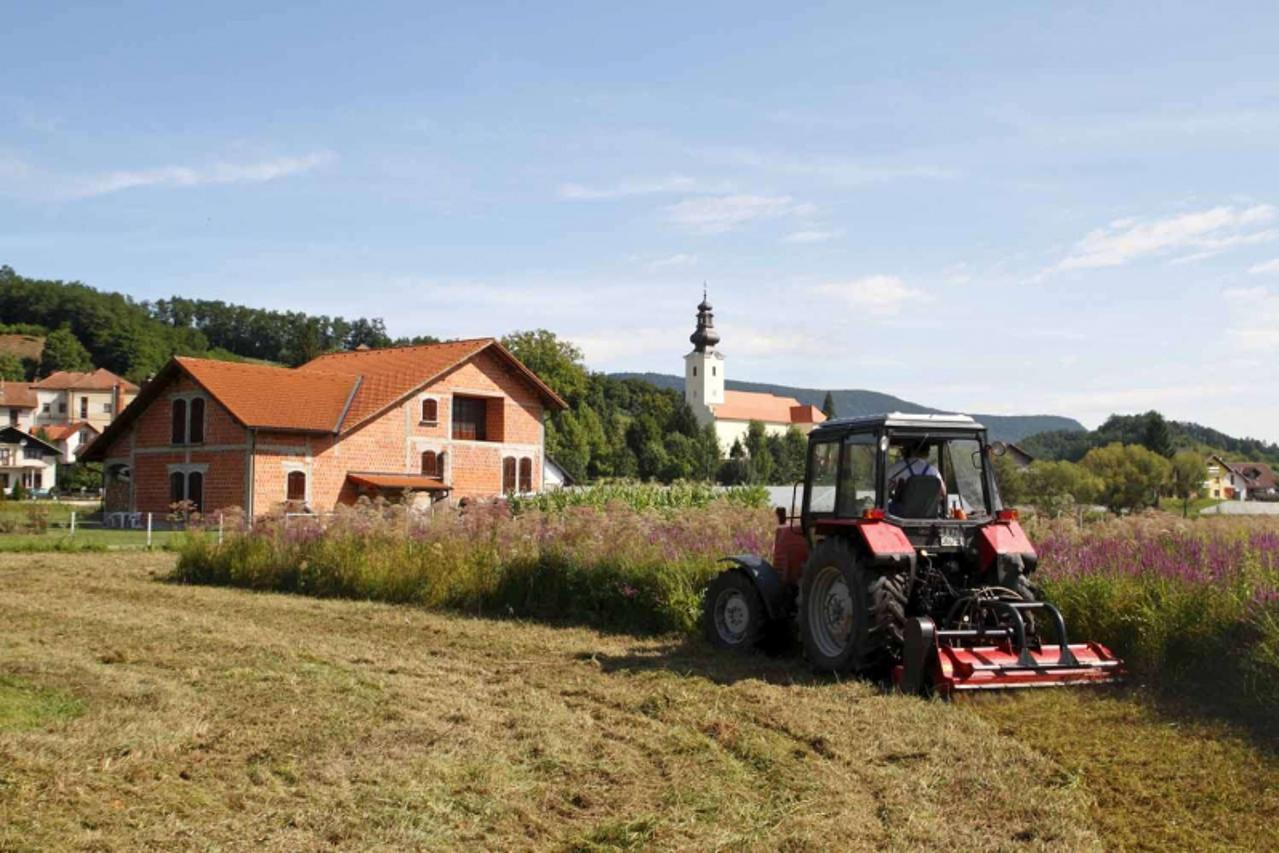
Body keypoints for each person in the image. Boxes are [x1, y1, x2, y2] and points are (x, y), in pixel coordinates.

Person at [887, 440, 946, 515]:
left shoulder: (897, 467)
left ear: (910, 450)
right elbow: (943, 492)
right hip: (927, 512)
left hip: (902, 513)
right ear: (927, 452)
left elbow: (884, 489)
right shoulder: (933, 470)